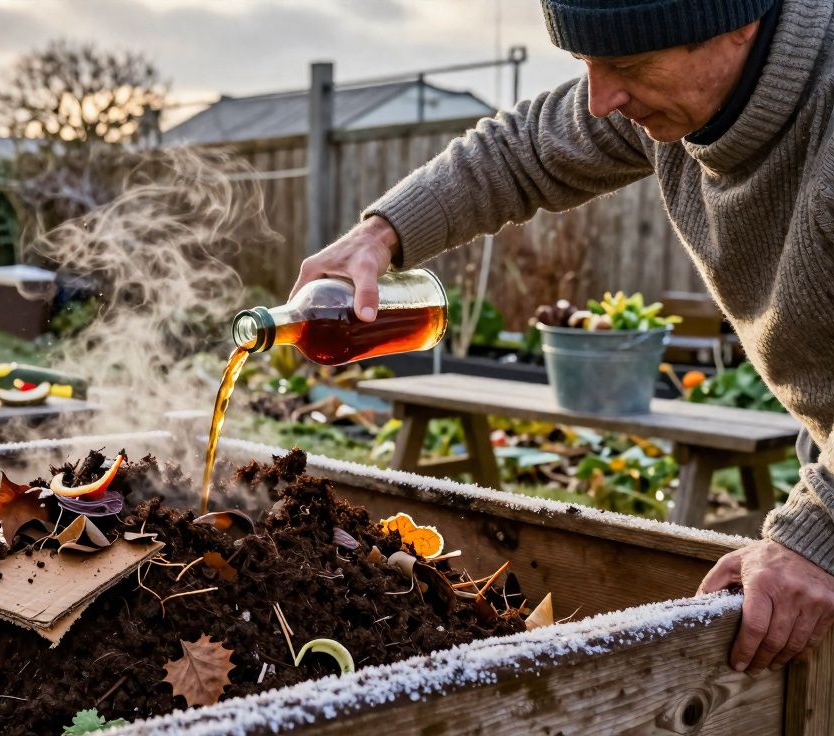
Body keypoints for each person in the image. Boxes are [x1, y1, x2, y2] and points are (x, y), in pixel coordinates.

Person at [294, 0, 834, 673]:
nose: (602, 99)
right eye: (588, 67)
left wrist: (819, 533)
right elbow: (518, 155)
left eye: (626, 65)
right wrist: (380, 235)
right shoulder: (678, 98)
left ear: (738, 25)